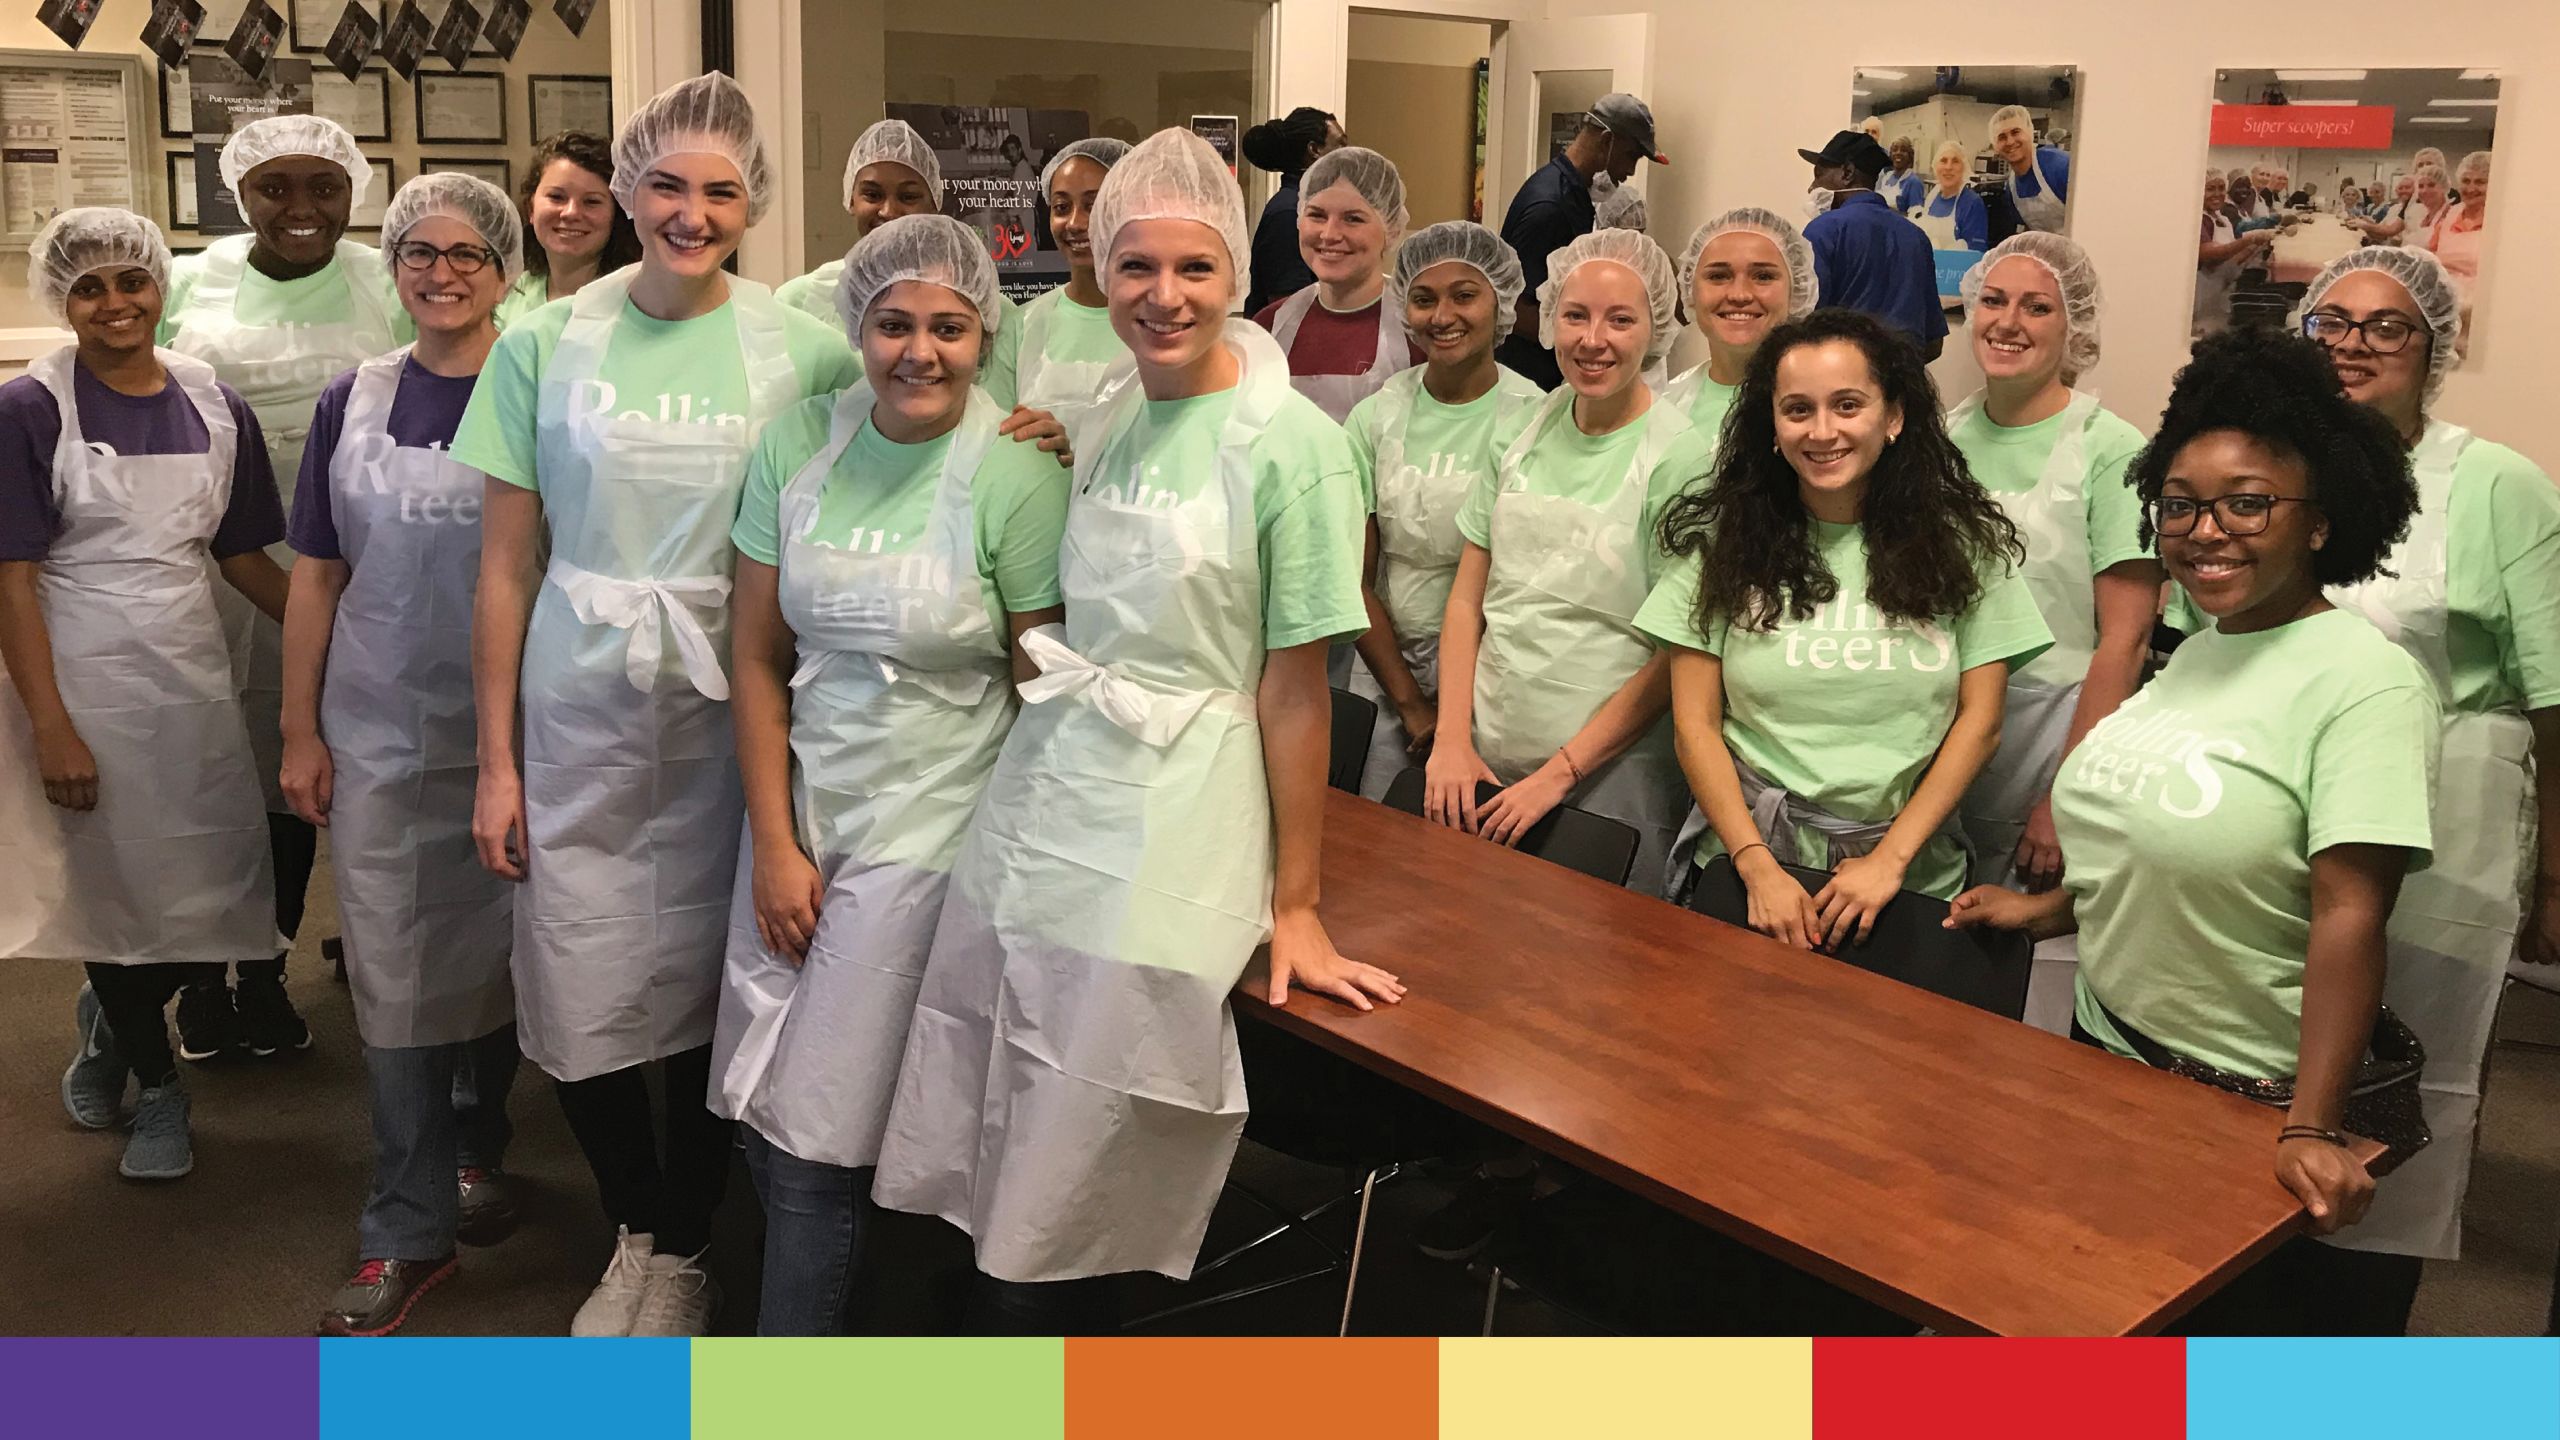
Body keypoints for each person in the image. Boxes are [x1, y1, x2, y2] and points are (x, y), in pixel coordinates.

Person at [870, 127, 1401, 1334]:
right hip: (1057, 778)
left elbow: (1295, 686)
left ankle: (1061, 1312)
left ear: (1234, 278)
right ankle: (1006, 1297)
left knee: (1095, 1098)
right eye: (1138, 268)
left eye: (1196, 270)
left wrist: (1297, 901)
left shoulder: (1294, 448)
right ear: (1100, 273)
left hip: (1191, 795)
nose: (1165, 298)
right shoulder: (1099, 418)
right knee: (992, 1047)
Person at [454, 71, 863, 1338]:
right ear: (626, 190)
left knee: (712, 978)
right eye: (668, 186)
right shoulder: (542, 342)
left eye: (722, 190)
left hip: (736, 709)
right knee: (578, 979)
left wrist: (1032, 438)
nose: (693, 213)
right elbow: (506, 563)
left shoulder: (808, 349)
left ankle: (683, 1239)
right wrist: (495, 762)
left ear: (755, 202)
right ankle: (634, 1217)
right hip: (576, 699)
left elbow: (911, 445)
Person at [1950, 328, 2436, 1336]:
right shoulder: (2202, 651)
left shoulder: (2363, 678)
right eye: (2179, 504)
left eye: (2247, 501)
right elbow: (2155, 833)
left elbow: (2350, 913)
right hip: (2112, 1061)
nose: (2205, 530)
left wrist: (2308, 1124)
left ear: (2318, 521)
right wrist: (2045, 908)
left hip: (2240, 1106)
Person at [711, 215, 1068, 1336]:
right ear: (855, 328)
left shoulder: (1015, 470)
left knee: (818, 1139)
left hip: (935, 826)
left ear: (984, 333)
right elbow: (760, 656)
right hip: (808, 804)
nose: (920, 351)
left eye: (949, 328)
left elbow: (1041, 684)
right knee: (764, 1104)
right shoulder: (798, 446)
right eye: (894, 324)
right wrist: (775, 842)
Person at [279, 175, 528, 1335]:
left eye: (468, 253)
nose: (442, 272)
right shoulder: (351, 399)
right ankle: (405, 1224)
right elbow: (317, 574)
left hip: (518, 732)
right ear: (394, 269)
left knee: (505, 956)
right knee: (390, 970)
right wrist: (299, 729)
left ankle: (484, 1146)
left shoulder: (538, 393)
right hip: (377, 729)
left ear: (507, 269)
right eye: (419, 253)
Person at [2285, 246, 2560, 1271]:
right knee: (2297, 1055)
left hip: (2454, 817)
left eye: (2386, 327)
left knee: (2423, 1056)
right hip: (2303, 812)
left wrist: (2554, 868)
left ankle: (2378, 1289)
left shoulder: (2496, 484)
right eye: (2334, 323)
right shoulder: (2282, 471)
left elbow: (2554, 693)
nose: (2354, 347)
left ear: (2431, 348)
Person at [0, 210, 287, 1184]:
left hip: (188, 667)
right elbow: (12, 577)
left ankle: (107, 1011)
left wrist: (347, 650)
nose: (116, 303)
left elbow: (242, 552)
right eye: (90, 288)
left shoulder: (212, 400)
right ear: (62, 299)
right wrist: (49, 728)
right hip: (77, 673)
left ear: (162, 287)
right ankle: (159, 1086)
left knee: (201, 885)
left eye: (133, 282)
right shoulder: (30, 408)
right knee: (112, 888)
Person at [1640, 309, 2047, 941]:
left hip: (1907, 883)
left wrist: (1889, 860)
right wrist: (1756, 866)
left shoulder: (1965, 549)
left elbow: (1981, 723)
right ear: (1772, 426)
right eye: (1797, 409)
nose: (1822, 431)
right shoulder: (1723, 547)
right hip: (1751, 876)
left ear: (1894, 417)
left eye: (1848, 405)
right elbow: (1695, 727)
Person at [159, 113, 407, 1062]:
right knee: (206, 776)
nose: (300, 209)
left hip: (349, 560)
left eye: (324, 187)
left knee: (297, 780)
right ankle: (197, 980)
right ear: (238, 191)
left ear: (355, 190)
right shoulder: (191, 280)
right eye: (274, 187)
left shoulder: (387, 276)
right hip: (215, 560)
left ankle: (262, 971)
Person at [1426, 227, 1708, 892]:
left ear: (1656, 328)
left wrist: (1559, 776)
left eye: (1620, 319)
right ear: (1549, 319)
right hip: (1484, 760)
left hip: (1612, 777)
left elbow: (1679, 650)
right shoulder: (1523, 431)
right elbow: (1468, 599)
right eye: (1575, 315)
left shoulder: (1682, 458)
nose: (1592, 339)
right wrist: (1451, 738)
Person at [1943, 234, 2160, 1032]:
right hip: (1947, 723)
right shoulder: (1943, 436)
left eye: (2038, 307)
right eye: (1994, 300)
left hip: (2055, 729)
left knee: (2030, 979)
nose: (2009, 321)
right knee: (1939, 961)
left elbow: (2125, 642)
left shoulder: (2113, 450)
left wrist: (2062, 800)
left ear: (2076, 331)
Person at [1337, 222, 1545, 799]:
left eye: (1464, 295)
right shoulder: (1375, 418)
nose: (1442, 315)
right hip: (1384, 668)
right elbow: (1352, 577)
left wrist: (1455, 709)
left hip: (1498, 673)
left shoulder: (1537, 418)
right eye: (1424, 299)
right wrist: (1411, 703)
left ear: (1500, 302)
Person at [779, 120, 1024, 410]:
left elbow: (1004, 413)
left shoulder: (990, 311)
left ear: (935, 204)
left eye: (908, 196)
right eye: (872, 194)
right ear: (850, 200)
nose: (888, 211)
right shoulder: (798, 302)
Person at [1496, 93, 1667, 390]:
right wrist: (1580, 340)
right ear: (1606, 140)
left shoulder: (1574, 195)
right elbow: (1515, 307)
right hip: (1529, 377)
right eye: (1631, 156)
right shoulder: (1550, 206)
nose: (1630, 172)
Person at [1251, 146, 1420, 424]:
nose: (1329, 234)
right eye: (1316, 215)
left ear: (1390, 229)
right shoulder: (1269, 327)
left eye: (1353, 219)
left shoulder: (1417, 329)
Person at [1663, 207, 1817, 448]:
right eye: (1718, 276)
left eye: (1763, 276)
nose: (1739, 294)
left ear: (1796, 291)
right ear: (1691, 291)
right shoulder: (1665, 404)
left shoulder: (1824, 404)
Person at [1012, 136, 1133, 440]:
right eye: (1062, 206)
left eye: (1094, 205)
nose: (1075, 223)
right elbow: (996, 438)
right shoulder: (1021, 326)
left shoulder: (1158, 322)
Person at [1800, 129, 1945, 359]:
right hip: (1906, 388)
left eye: (1819, 175)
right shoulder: (1916, 237)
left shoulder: (1824, 230)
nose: (1812, 187)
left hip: (1840, 382)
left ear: (1847, 173)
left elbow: (1804, 330)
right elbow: (1933, 343)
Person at [499, 130, 642, 328]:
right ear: (531, 208)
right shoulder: (506, 296)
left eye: (591, 201)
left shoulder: (641, 301)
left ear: (615, 215)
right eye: (556, 197)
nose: (571, 213)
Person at [1239, 106, 1342, 317]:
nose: (1349, 156)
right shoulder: (1288, 215)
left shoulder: (1312, 210)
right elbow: (1288, 313)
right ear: (1314, 150)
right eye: (1341, 144)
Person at [2195, 170, 2273, 342]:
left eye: (2221, 188)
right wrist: (2249, 239)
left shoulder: (2223, 219)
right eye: (2210, 189)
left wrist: (2256, 245)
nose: (2217, 194)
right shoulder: (2198, 220)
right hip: (2201, 294)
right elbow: (2210, 255)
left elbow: (2231, 261)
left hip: (2220, 293)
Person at [1988, 105, 2069, 234]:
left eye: (2016, 132)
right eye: (2002, 137)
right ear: (1995, 146)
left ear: (2030, 133)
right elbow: (2025, 231)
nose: (2009, 142)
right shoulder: (2011, 187)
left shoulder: (2059, 166)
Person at [2428, 151, 2490, 307]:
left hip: (2481, 307)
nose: (2471, 188)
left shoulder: (2500, 220)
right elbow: (2431, 257)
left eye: (2480, 182)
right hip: (2443, 304)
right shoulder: (2450, 214)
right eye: (2466, 181)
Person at [1915, 140, 1989, 255]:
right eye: (1943, 161)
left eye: (1955, 161)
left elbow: (1975, 254)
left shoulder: (1972, 203)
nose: (1948, 167)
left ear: (1963, 168)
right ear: (1935, 166)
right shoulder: (1932, 196)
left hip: (1955, 271)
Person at [1875, 137, 1926, 215]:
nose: (1898, 153)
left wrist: (1888, 212)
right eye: (1894, 150)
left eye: (1903, 150)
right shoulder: (1886, 177)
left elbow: (1916, 217)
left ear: (1910, 155)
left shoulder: (1913, 182)